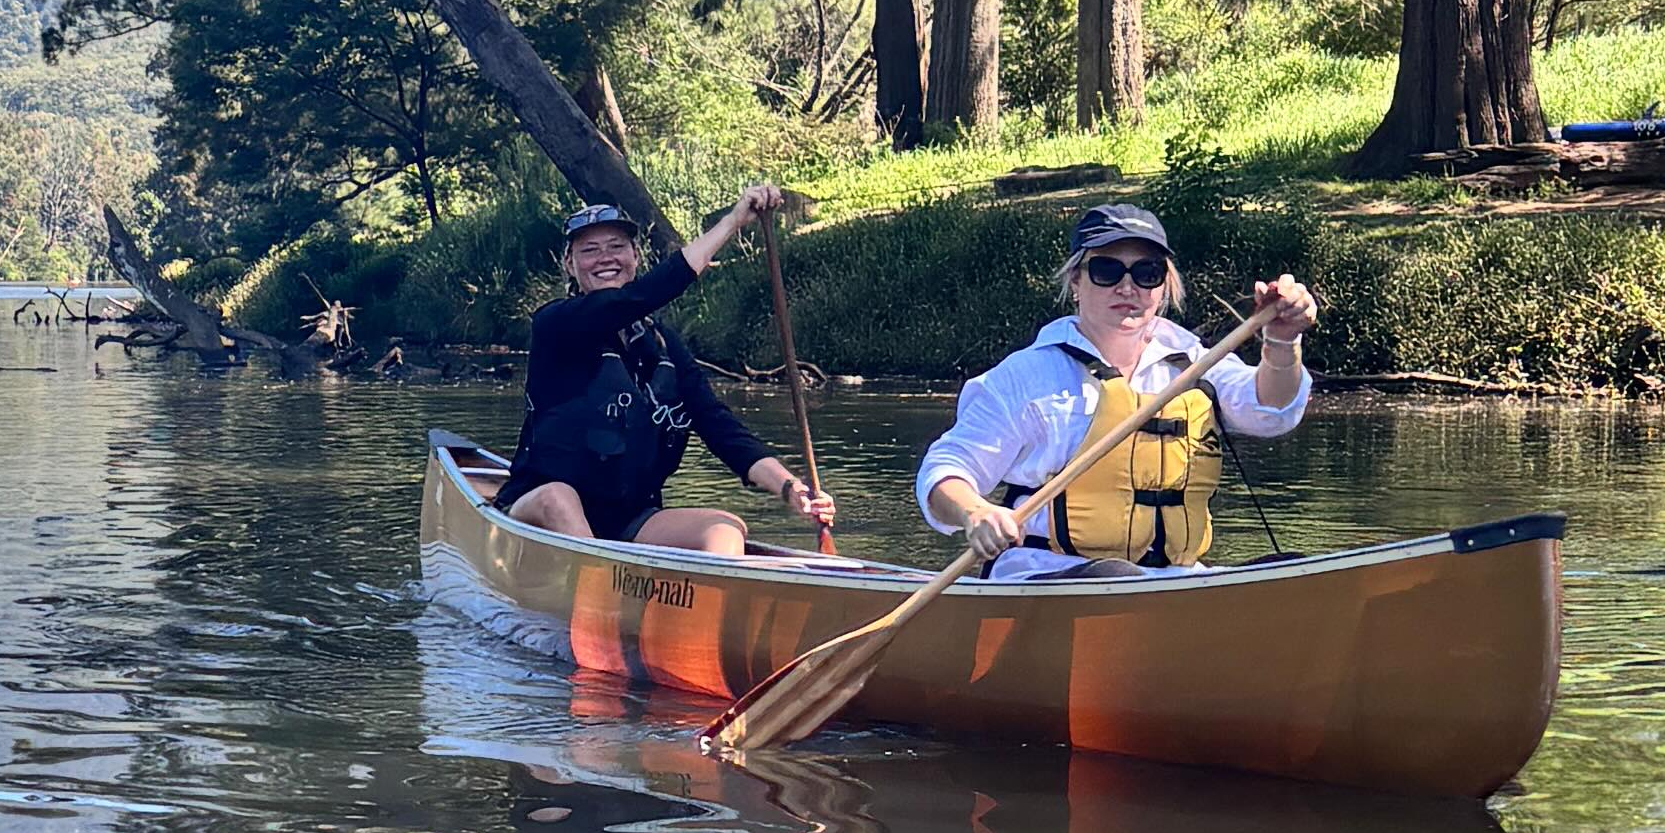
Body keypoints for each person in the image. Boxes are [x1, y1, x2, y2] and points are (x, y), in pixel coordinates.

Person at [917, 201, 1316, 576]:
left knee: (1294, 571)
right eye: (1107, 271)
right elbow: (944, 472)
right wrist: (975, 513)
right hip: (1048, 574)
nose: (1128, 288)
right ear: (1076, 279)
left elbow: (1271, 412)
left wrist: (1281, 341)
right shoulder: (1028, 376)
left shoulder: (1195, 362)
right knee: (1116, 574)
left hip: (1171, 581)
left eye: (1146, 273)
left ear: (1163, 285)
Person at [499, 186, 835, 555]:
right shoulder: (555, 324)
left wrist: (791, 489)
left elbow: (721, 428)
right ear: (570, 264)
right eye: (589, 250)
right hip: (537, 511)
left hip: (628, 520)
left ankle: (709, 606)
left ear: (635, 255)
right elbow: (632, 300)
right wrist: (733, 222)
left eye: (615, 246)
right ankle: (599, 597)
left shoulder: (664, 348)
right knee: (558, 498)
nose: (604, 258)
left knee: (726, 529)